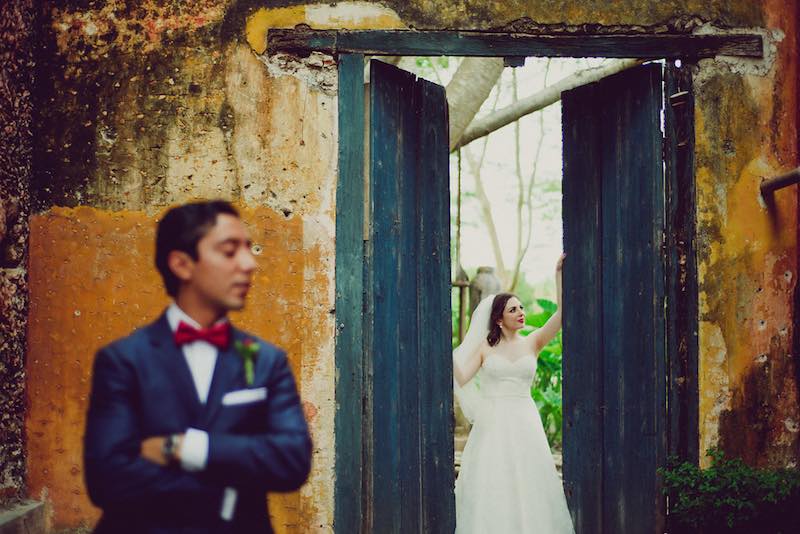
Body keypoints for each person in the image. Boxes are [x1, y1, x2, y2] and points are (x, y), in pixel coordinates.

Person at [83, 200, 312, 534]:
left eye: (249, 249)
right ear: (182, 264)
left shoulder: (266, 360)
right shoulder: (123, 361)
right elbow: (107, 480)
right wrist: (236, 475)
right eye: (230, 251)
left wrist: (183, 448)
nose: (250, 263)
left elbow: (292, 462)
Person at [453, 253, 574, 534]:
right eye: (513, 310)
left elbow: (561, 315)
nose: (521, 313)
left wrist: (558, 275)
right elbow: (462, 376)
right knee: (494, 482)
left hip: (524, 420)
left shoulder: (533, 342)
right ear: (498, 319)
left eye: (521, 308)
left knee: (529, 479)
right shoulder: (485, 347)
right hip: (493, 423)